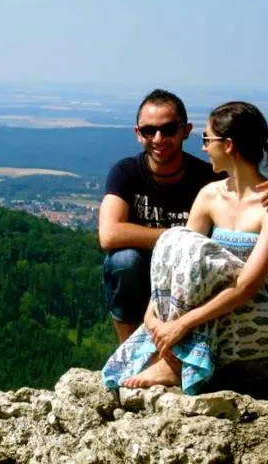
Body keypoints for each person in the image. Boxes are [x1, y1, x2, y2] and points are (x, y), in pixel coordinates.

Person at [102, 101, 268, 395]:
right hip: (214, 308)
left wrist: (181, 325)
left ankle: (175, 363)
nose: (203, 148)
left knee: (192, 251)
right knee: (178, 240)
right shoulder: (210, 195)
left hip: (252, 312)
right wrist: (153, 314)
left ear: (228, 145)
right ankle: (170, 355)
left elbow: (247, 285)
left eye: (207, 139)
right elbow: (177, 260)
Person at [99, 89, 220, 344]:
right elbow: (109, 235)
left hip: (192, 274)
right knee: (124, 261)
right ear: (137, 133)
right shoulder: (127, 172)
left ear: (185, 130)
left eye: (168, 129)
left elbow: (249, 186)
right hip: (142, 272)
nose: (158, 138)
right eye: (148, 131)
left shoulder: (208, 177)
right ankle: (130, 351)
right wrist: (180, 237)